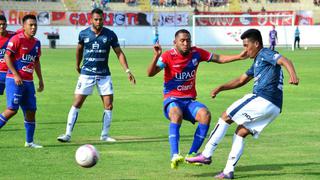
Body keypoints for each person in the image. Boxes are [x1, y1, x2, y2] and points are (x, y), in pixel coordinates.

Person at [186, 29, 299, 179]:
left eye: (246, 45)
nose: (245, 49)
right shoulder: (257, 62)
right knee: (241, 132)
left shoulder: (265, 53)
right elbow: (241, 80)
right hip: (274, 107)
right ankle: (228, 171)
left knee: (226, 116)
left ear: (256, 44)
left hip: (263, 99)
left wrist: (293, 75)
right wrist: (221, 87)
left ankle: (206, 154)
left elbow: (285, 60)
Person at [147, 29, 248, 169]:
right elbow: (150, 73)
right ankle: (175, 155)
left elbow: (218, 58)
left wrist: (239, 56)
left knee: (205, 115)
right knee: (176, 114)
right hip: (172, 100)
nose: (185, 43)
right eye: (182, 40)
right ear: (174, 42)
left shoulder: (196, 53)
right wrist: (156, 55)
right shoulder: (167, 56)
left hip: (188, 101)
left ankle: (192, 154)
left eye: (188, 40)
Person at [57, 8, 136, 143]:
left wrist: (127, 70)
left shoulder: (110, 35)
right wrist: (77, 64)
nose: (98, 22)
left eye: (100, 19)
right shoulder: (83, 34)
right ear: (91, 19)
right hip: (87, 74)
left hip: (104, 75)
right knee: (77, 103)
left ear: (103, 19)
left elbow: (119, 53)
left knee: (109, 105)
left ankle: (105, 135)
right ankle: (67, 134)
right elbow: (79, 50)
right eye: (96, 19)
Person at [0, 14, 44, 148]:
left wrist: (41, 79)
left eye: (35, 25)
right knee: (12, 109)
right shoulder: (17, 39)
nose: (33, 27)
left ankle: (29, 142)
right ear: (23, 26)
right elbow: (7, 57)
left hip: (29, 82)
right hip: (14, 80)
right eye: (30, 25)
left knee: (31, 110)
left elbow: (36, 62)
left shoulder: (36, 42)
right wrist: (15, 74)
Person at [0, 15, 16, 96]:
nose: (2, 26)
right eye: (0, 24)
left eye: (3, 24)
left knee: (14, 98)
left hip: (11, 73)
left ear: (6, 24)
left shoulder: (13, 36)